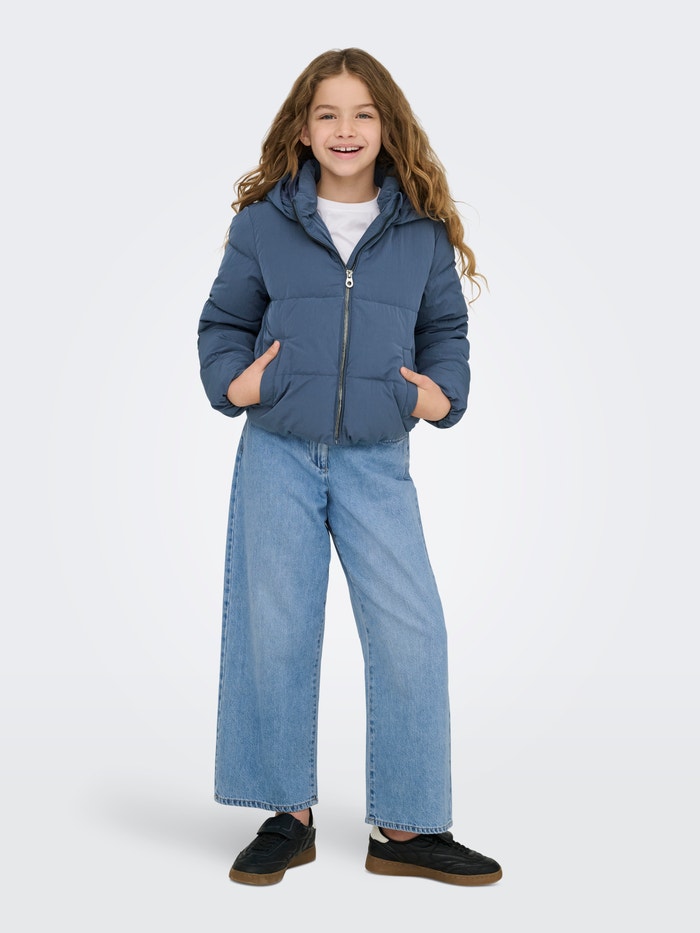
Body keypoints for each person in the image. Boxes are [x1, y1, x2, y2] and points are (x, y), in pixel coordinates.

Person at [197, 47, 502, 887]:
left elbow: (446, 330)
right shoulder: (264, 223)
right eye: (327, 113)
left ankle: (405, 828)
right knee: (275, 630)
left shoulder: (420, 231)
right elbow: (223, 321)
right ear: (303, 129)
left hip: (377, 458)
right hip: (277, 452)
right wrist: (237, 382)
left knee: (413, 632)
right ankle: (284, 816)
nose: (344, 129)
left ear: (386, 126)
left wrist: (439, 394)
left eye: (362, 113)